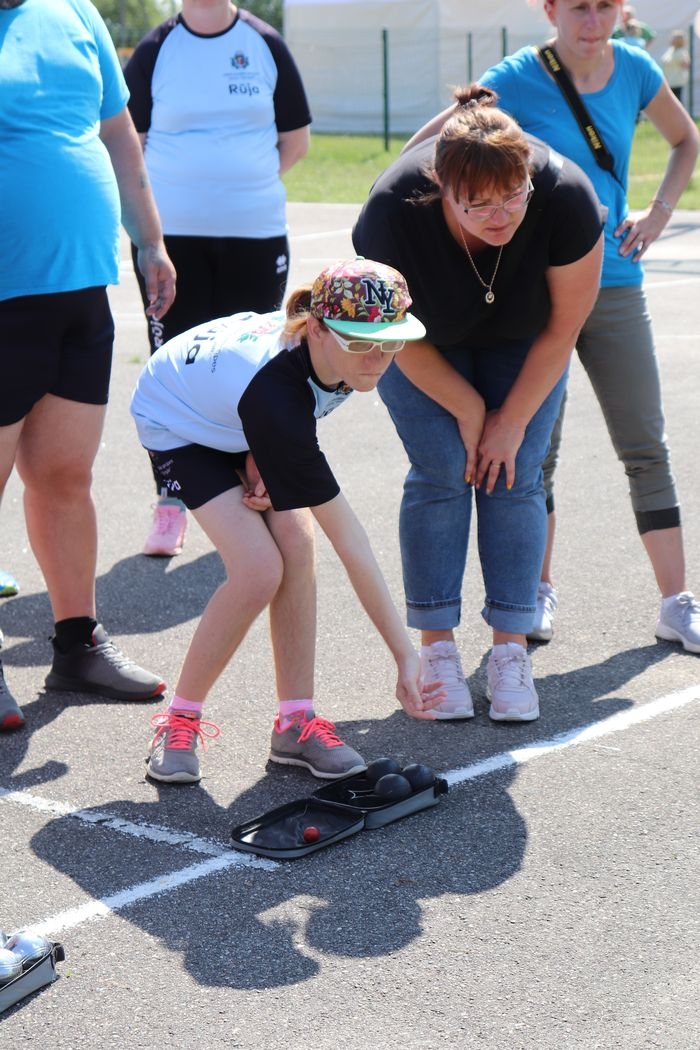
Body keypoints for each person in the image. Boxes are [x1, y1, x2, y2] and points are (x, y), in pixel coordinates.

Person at [404, 0, 700, 654]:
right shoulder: (513, 76)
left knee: (645, 440)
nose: (590, 20)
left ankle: (677, 601)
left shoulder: (638, 69)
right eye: (577, 7)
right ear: (551, 10)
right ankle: (534, 591)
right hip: (536, 296)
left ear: (621, 11)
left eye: (603, 6)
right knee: (537, 453)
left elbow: (686, 140)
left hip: (615, 279)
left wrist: (658, 212)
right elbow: (425, 150)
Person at [130, 258, 445, 784]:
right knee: (258, 570)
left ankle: (294, 722)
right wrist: (404, 655)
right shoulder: (277, 392)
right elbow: (352, 540)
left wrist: (261, 450)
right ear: (318, 329)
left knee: (297, 547)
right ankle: (180, 718)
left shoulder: (333, 358)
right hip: (177, 418)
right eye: (363, 343)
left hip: (239, 411)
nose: (379, 360)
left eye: (391, 343)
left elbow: (281, 414)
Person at [352, 88, 604, 723]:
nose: (501, 217)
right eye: (479, 206)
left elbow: (563, 330)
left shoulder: (567, 197)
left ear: (529, 174)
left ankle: (510, 649)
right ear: (441, 186)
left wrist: (509, 421)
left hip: (527, 339)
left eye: (514, 196)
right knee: (440, 469)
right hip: (420, 342)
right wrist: (467, 408)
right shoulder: (390, 213)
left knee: (512, 471)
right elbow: (391, 333)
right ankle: (437, 649)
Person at [0, 0, 177, 733]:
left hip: (79, 287)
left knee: (66, 475)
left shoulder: (75, 11)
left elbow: (117, 134)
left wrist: (152, 241)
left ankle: (78, 645)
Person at [124, 0, 311, 559]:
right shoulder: (156, 51)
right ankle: (172, 501)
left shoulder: (266, 45)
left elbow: (294, 141)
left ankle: (252, 488)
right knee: (172, 372)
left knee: (253, 368)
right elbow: (126, 146)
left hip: (254, 235)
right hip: (172, 243)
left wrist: (237, 186)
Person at [661, 30, 691, 104]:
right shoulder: (671, 50)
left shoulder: (681, 52)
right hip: (668, 81)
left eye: (673, 38)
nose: (671, 39)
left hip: (676, 82)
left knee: (676, 103)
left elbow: (686, 65)